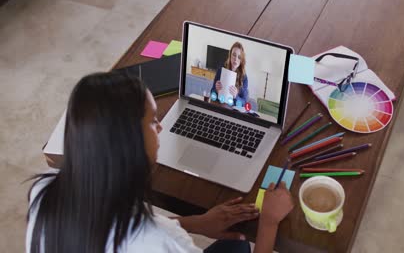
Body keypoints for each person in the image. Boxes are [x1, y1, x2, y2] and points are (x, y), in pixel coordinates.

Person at [26, 71, 294, 253]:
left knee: (235, 245)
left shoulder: (44, 191)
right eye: (153, 121)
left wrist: (195, 223)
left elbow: (115, 230)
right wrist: (269, 222)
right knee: (242, 244)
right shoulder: (161, 242)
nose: (161, 128)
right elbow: (152, 237)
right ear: (130, 145)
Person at [211, 42, 249, 106]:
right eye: (234, 55)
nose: (236, 59)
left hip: (232, 112)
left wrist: (236, 96)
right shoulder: (221, 71)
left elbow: (244, 103)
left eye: (239, 57)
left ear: (241, 60)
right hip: (219, 107)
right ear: (230, 55)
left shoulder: (244, 78)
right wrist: (216, 90)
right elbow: (212, 94)